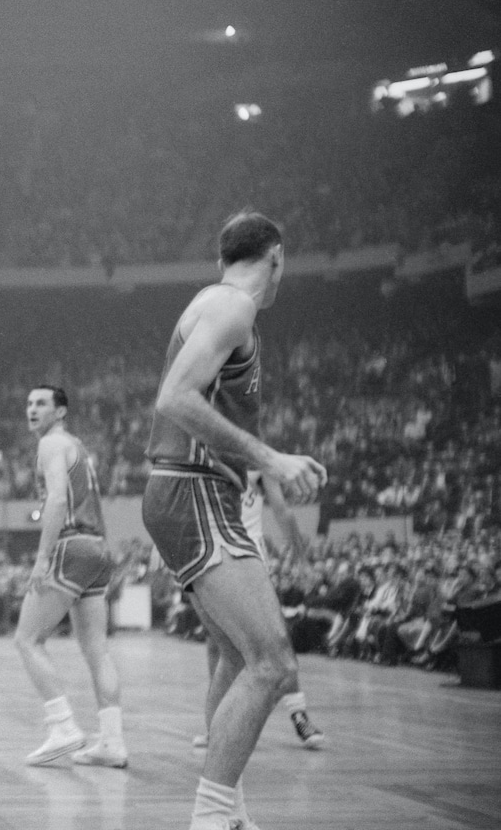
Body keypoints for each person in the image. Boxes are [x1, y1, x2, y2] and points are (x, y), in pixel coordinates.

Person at [142, 211, 327, 830]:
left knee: (233, 656)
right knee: (273, 661)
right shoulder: (232, 309)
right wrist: (269, 456)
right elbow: (174, 397)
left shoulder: (212, 303)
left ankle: (233, 811)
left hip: (189, 495)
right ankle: (212, 818)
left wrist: (265, 472)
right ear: (276, 256)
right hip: (195, 494)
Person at [14, 386, 127, 768]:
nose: (32, 409)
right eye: (29, 404)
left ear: (60, 411)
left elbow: (59, 500)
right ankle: (112, 741)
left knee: (27, 639)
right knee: (96, 649)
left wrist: (42, 558)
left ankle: (62, 726)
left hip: (71, 544)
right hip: (98, 547)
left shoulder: (50, 444)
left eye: (41, 403)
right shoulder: (77, 446)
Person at [193, 470, 324, 750]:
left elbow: (283, 511)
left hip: (241, 556)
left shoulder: (254, 459)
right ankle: (219, 722)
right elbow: (283, 513)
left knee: (272, 640)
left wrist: (300, 554)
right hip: (221, 555)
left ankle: (298, 713)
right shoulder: (213, 451)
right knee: (221, 644)